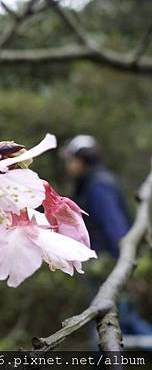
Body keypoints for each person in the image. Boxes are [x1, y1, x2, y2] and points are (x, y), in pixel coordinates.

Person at [63, 135, 152, 341]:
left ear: (81, 160)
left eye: (70, 160)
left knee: (112, 324)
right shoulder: (93, 182)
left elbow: (116, 228)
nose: (68, 166)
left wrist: (125, 268)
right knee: (122, 321)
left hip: (108, 266)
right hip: (106, 264)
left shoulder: (98, 185)